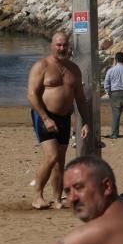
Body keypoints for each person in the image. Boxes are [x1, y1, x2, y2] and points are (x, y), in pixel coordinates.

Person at [27, 32, 90, 210]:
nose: (62, 48)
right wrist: (45, 118)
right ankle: (37, 195)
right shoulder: (42, 66)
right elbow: (31, 94)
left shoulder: (73, 69)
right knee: (51, 156)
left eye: (65, 45)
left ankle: (56, 198)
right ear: (52, 45)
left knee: (60, 160)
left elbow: (80, 98)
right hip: (44, 115)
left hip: (64, 118)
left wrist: (85, 122)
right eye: (59, 45)